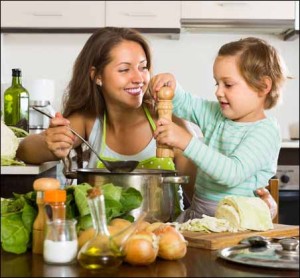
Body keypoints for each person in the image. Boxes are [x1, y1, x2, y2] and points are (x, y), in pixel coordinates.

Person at [16, 27, 197, 218]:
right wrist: (49, 141)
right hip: (100, 239)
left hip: (165, 237)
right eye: (124, 69)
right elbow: (24, 150)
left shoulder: (168, 119)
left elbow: (204, 194)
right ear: (97, 76)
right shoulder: (88, 121)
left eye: (143, 67)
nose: (139, 78)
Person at [150, 37, 287, 221]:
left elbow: (231, 173)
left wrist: (186, 142)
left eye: (228, 84)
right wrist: (172, 86)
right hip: (199, 216)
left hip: (238, 225)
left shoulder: (265, 131)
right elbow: (187, 103)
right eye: (217, 83)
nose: (218, 91)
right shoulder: (217, 114)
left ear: (263, 86)